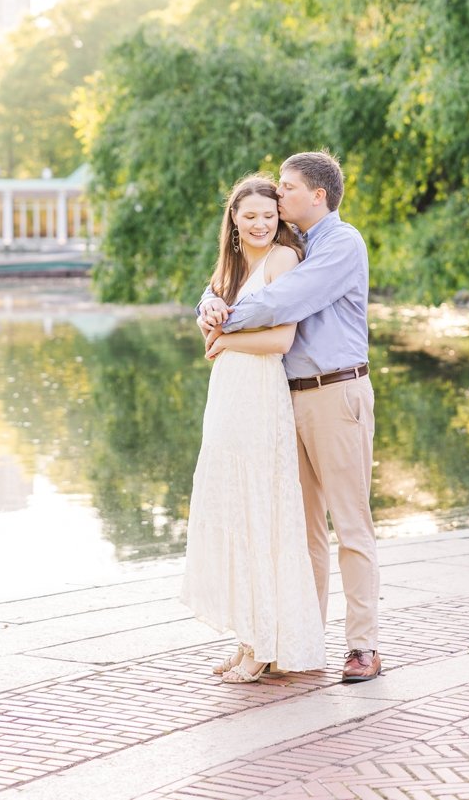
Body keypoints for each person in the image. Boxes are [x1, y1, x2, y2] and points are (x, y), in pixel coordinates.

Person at [198, 151, 382, 684]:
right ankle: (303, 641)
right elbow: (238, 280)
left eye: (287, 187)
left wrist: (221, 325)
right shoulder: (294, 244)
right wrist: (207, 305)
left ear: (317, 195)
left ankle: (363, 646)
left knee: (351, 526)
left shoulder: (341, 244)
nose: (278, 196)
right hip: (286, 397)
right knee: (303, 533)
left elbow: (283, 302)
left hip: (335, 392)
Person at [181, 173, 325, 683]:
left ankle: (265, 644)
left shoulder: (284, 259)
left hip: (260, 394)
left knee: (259, 514)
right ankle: (247, 637)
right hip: (227, 396)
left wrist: (223, 341)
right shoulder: (232, 265)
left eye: (269, 214)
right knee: (234, 511)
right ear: (234, 222)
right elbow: (212, 314)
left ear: (278, 218)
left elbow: (282, 339)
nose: (261, 223)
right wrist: (209, 316)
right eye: (250, 216)